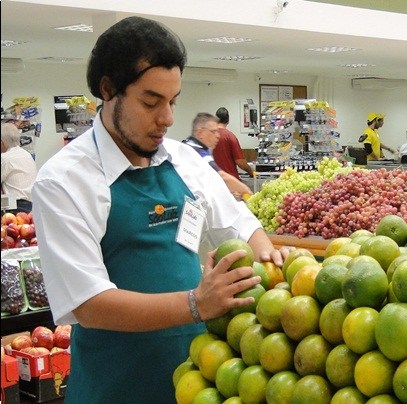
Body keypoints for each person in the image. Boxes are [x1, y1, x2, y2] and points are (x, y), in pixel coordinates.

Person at [31, 16, 287, 404]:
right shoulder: (64, 180)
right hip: (114, 386)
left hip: (201, 380)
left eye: (172, 102)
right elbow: (89, 303)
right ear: (108, 89)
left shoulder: (185, 161)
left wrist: (267, 251)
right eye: (151, 102)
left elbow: (237, 221)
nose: (167, 118)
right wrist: (196, 304)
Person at [182, 112, 253, 199]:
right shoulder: (195, 150)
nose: (218, 136)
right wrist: (247, 192)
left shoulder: (194, 145)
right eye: (213, 132)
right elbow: (221, 176)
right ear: (200, 133)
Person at [1, 122, 38, 213]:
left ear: (1, 142)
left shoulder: (5, 158)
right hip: (32, 206)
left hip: (15, 208)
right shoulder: (26, 154)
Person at [213, 107, 255, 180]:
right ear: (228, 121)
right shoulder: (230, 137)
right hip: (230, 181)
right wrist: (251, 172)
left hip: (213, 180)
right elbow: (240, 162)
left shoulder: (208, 136)